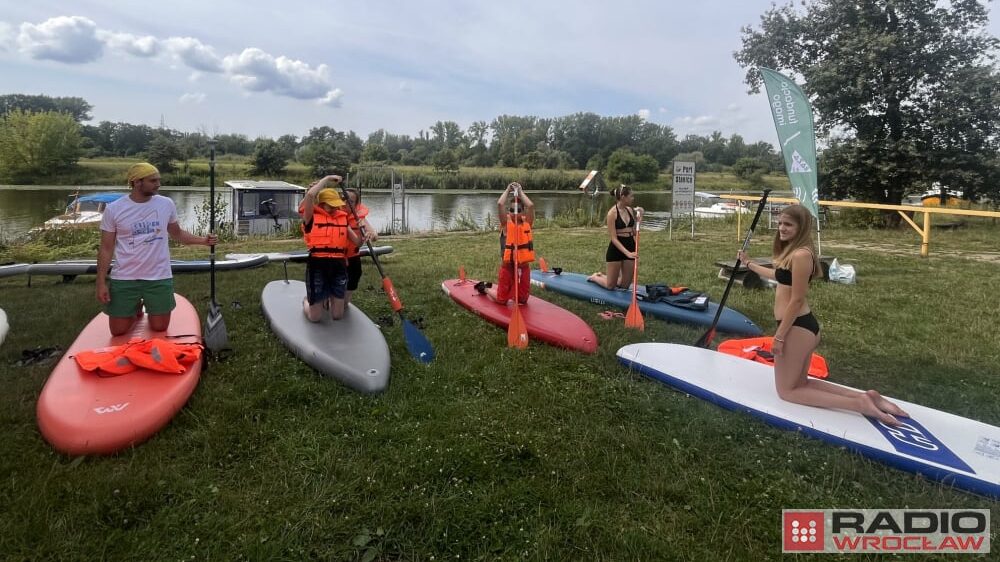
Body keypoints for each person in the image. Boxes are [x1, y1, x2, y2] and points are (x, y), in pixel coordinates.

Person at [738, 204, 908, 426]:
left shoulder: (800, 255)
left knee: (787, 392)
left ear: (802, 228)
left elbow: (797, 299)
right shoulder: (795, 252)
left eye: (788, 224)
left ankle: (860, 405)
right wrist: (749, 263)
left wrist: (779, 336)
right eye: (780, 223)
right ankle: (866, 397)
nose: (782, 228)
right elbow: (780, 277)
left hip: (795, 328)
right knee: (802, 384)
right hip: (801, 327)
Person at [96, 162, 217, 336]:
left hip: (159, 275)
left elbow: (177, 233)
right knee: (118, 331)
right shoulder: (114, 209)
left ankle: (141, 305)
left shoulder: (166, 204)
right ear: (137, 182)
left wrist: (204, 241)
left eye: (159, 180)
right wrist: (100, 283)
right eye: (153, 181)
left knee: (159, 327)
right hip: (125, 277)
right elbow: (106, 249)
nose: (158, 184)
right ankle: (135, 307)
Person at [299, 175, 361, 322]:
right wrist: (326, 179)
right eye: (329, 205)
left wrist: (363, 236)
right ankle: (306, 301)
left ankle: (326, 298)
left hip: (338, 266)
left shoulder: (342, 218)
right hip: (317, 265)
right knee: (315, 318)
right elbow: (310, 195)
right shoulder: (310, 217)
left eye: (335, 205)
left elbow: (357, 243)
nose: (334, 208)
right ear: (320, 204)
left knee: (337, 315)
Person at [482, 182, 535, 305]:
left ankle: (514, 291)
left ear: (523, 212)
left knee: (522, 300)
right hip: (508, 268)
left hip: (523, 268)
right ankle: (485, 288)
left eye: (518, 210)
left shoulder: (528, 223)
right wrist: (507, 189)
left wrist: (520, 192)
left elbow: (531, 206)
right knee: (501, 300)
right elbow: (500, 203)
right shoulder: (506, 224)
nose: (514, 212)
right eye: (512, 209)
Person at [588, 185, 643, 290]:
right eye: (631, 196)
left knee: (624, 286)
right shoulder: (612, 213)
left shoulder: (630, 210)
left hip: (630, 245)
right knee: (610, 286)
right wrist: (627, 253)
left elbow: (634, 232)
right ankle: (595, 277)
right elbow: (613, 238)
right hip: (616, 249)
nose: (633, 198)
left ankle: (604, 276)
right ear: (623, 197)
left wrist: (640, 219)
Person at [343, 187, 377, 306]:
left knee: (353, 279)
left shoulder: (359, 218)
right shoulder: (332, 215)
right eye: (343, 199)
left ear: (356, 205)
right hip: (335, 258)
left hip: (353, 257)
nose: (346, 203)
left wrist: (370, 234)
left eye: (350, 201)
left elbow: (374, 235)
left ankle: (344, 303)